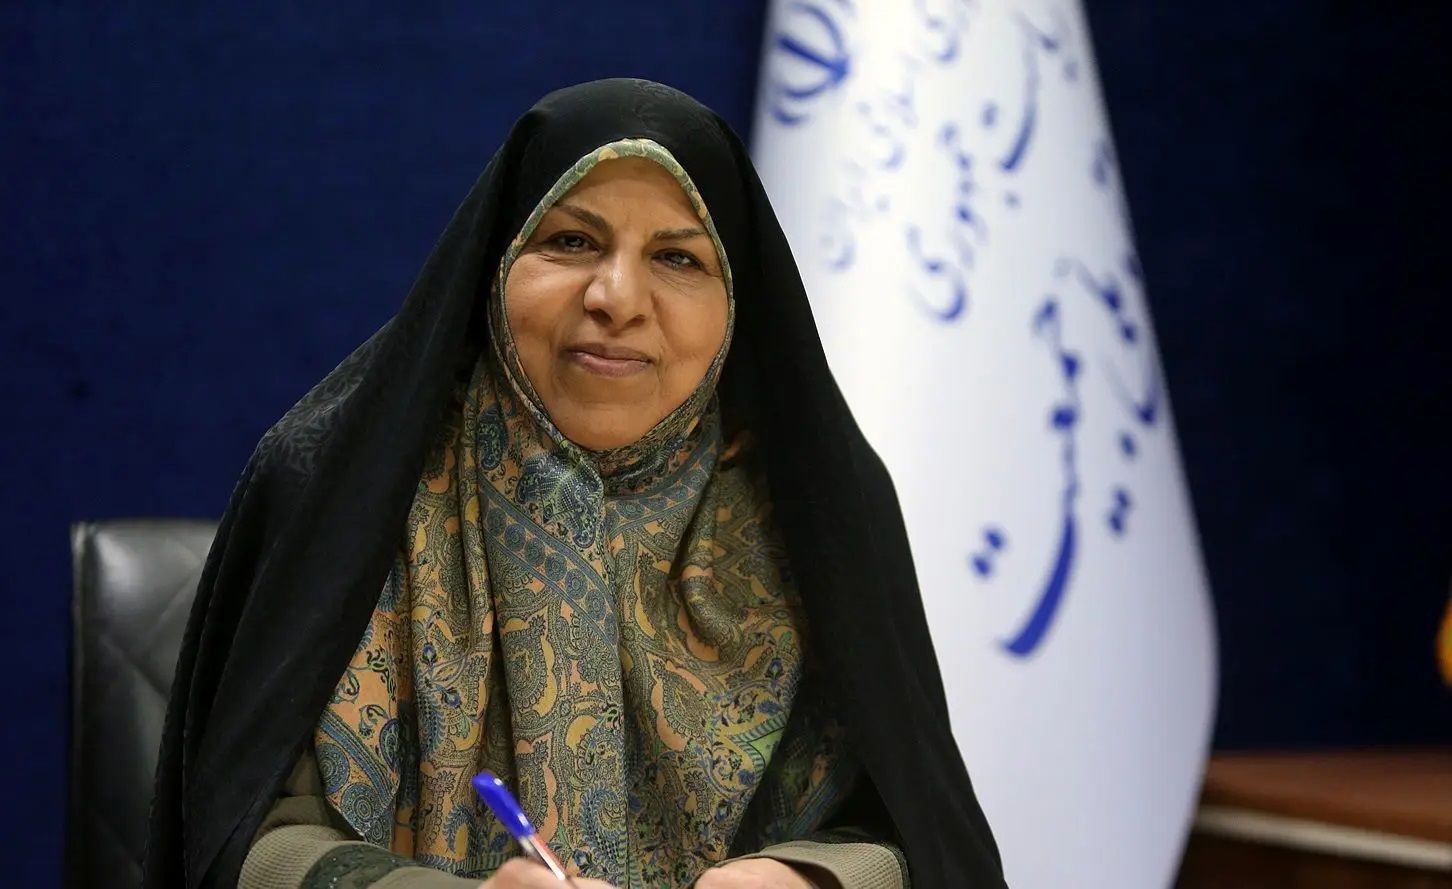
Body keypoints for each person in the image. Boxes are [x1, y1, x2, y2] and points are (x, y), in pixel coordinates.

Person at [143, 78, 1007, 889]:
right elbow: (246, 845)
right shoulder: (352, 485)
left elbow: (912, 832)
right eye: (571, 242)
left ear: (737, 305)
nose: (617, 297)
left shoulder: (812, 515)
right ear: (496, 263)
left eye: (678, 257)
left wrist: (809, 877)